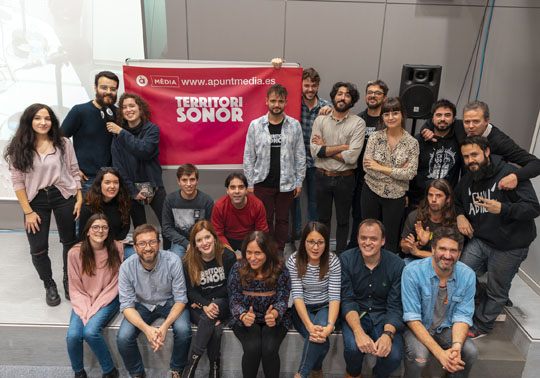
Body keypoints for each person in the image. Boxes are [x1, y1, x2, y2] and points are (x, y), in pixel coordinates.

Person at [454, 136, 540, 338]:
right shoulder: (468, 179)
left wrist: (503, 208)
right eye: (466, 157)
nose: (470, 160)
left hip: (510, 245)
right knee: (459, 273)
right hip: (482, 239)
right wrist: (459, 215)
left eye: (474, 154)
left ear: (486, 152)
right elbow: (457, 199)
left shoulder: (509, 174)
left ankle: (482, 325)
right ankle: (478, 305)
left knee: (497, 290)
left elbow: (533, 208)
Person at [5, 103, 82, 305]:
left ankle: (68, 280)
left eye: (47, 118)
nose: (43, 122)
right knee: (38, 248)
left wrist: (79, 197)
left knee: (69, 242)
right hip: (35, 200)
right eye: (38, 118)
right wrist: (28, 212)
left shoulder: (63, 143)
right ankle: (49, 284)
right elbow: (17, 181)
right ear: (29, 121)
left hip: (63, 194)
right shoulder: (18, 147)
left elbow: (74, 171)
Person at [116, 224, 191, 378]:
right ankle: (137, 374)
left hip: (169, 301)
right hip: (141, 304)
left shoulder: (173, 260)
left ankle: (177, 369)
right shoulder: (126, 268)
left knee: (184, 331)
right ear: (135, 247)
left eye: (151, 242)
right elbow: (127, 306)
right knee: (123, 337)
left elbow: (180, 299)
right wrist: (147, 329)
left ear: (159, 243)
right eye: (142, 243)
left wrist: (164, 327)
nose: (147, 248)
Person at [402, 227, 478, 377]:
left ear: (460, 253)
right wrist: (440, 354)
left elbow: (462, 316)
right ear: (433, 249)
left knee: (470, 352)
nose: (447, 255)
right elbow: (412, 318)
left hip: (446, 327)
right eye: (442, 249)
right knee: (419, 358)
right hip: (418, 326)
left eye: (453, 250)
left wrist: (456, 347)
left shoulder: (468, 275)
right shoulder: (412, 272)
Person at [421, 100, 540, 191]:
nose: (471, 126)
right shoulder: (460, 127)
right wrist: (426, 129)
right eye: (467, 121)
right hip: (465, 192)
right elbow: (438, 122)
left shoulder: (500, 141)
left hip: (490, 194)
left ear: (487, 120)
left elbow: (536, 164)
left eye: (476, 121)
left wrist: (516, 176)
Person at [271, 59, 332, 235]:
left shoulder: (326, 107)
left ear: (318, 85)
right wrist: (276, 66)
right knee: (292, 202)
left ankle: (311, 237)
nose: (310, 89)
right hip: (293, 161)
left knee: (314, 202)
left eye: (313, 85)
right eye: (306, 85)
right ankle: (294, 236)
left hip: (317, 162)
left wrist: (331, 113)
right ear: (301, 85)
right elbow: (276, 90)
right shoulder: (291, 104)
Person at [243, 84, 306, 253]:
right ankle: (265, 251)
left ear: (286, 102)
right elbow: (248, 157)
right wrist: (249, 183)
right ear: (266, 101)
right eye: (273, 101)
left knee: (283, 220)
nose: (276, 104)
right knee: (265, 220)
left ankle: (278, 252)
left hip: (287, 183)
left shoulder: (294, 125)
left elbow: (300, 155)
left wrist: (299, 181)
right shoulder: (256, 125)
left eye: (280, 101)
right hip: (262, 182)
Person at [340, 219, 404, 378]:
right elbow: (347, 300)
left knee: (394, 355)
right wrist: (358, 332)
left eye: (373, 238)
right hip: (357, 314)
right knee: (353, 348)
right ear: (357, 239)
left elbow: (395, 306)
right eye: (363, 238)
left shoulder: (397, 264)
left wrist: (387, 335)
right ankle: (354, 375)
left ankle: (378, 375)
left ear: (382, 241)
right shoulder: (346, 259)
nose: (367, 242)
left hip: (384, 315)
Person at [106, 92, 169, 249]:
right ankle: (143, 257)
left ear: (140, 109)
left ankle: (169, 255)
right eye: (124, 107)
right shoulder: (117, 137)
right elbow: (118, 167)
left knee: (167, 224)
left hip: (154, 186)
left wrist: (121, 132)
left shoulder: (151, 130)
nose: (128, 110)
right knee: (140, 229)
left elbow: (144, 150)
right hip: (131, 189)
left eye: (132, 106)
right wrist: (133, 191)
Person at [310, 82, 365, 253]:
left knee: (343, 220)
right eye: (339, 94)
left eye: (347, 95)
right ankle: (323, 254)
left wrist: (326, 147)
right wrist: (342, 147)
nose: (342, 98)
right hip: (322, 176)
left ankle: (341, 256)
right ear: (333, 97)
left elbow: (352, 157)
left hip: (345, 178)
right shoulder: (320, 120)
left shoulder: (358, 123)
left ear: (352, 100)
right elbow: (315, 151)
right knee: (323, 219)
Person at [66, 214, 124, 378]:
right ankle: (79, 372)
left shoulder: (116, 249)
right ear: (87, 232)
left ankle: (110, 371)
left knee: (90, 332)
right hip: (83, 299)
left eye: (104, 227)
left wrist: (95, 307)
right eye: (96, 227)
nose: (100, 230)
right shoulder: (74, 253)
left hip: (109, 298)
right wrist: (87, 308)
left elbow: (116, 284)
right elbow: (75, 287)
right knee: (73, 336)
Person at [228, 231, 291, 378]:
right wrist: (243, 315)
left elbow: (283, 298)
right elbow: (233, 299)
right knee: (252, 347)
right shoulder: (238, 268)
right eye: (249, 252)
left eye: (258, 253)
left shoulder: (280, 269)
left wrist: (275, 313)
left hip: (274, 318)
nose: (252, 258)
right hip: (246, 318)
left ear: (267, 253)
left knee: (269, 348)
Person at [361, 97, 419, 253]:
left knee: (391, 238)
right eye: (386, 114)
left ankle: (387, 273)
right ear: (382, 117)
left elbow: (410, 173)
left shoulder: (412, 143)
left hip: (396, 196)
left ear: (402, 115)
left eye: (395, 113)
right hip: (371, 191)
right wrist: (397, 171)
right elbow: (367, 168)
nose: (391, 117)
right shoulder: (375, 137)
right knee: (368, 234)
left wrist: (380, 167)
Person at [181, 221, 237, 378]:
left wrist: (210, 302)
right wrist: (205, 304)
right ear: (195, 244)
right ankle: (214, 368)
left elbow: (231, 287)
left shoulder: (227, 256)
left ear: (214, 237)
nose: (204, 243)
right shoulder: (188, 262)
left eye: (207, 237)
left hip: (223, 303)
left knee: (215, 308)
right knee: (214, 327)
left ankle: (192, 363)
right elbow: (190, 290)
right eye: (199, 240)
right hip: (200, 306)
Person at [286, 222, 341, 378]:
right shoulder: (294, 260)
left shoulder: (333, 261)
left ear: (326, 243)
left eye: (320, 242)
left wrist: (330, 325)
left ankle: (301, 374)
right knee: (322, 341)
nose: (315, 247)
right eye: (311, 242)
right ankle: (316, 371)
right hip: (302, 308)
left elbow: (334, 296)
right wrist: (310, 326)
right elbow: (297, 295)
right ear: (304, 242)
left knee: (321, 333)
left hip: (325, 307)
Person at [61, 71, 119, 193]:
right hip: (86, 180)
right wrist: (72, 169)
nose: (108, 91)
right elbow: (59, 141)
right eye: (104, 87)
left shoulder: (119, 114)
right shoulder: (80, 111)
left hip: (113, 180)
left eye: (113, 88)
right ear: (95, 87)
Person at [348, 79, 389, 249]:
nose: (373, 96)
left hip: (383, 179)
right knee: (358, 216)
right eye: (370, 92)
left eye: (377, 93)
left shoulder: (389, 120)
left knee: (380, 220)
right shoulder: (358, 120)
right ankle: (356, 249)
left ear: (384, 97)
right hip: (359, 178)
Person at [409, 100, 462, 209]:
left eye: (447, 115)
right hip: (418, 201)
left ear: (453, 119)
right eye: (438, 115)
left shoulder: (459, 140)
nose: (442, 119)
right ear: (432, 118)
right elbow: (408, 170)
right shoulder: (418, 140)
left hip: (446, 202)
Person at [162, 164, 214, 260]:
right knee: (175, 260)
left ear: (197, 180)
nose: (189, 184)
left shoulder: (206, 200)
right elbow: (167, 228)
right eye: (184, 180)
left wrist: (201, 242)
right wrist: (186, 244)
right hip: (180, 243)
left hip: (203, 241)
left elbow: (211, 227)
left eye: (192, 180)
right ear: (178, 181)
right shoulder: (170, 200)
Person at [401, 179, 457, 263]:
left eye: (438, 196)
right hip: (415, 261)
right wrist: (420, 243)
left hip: (443, 263)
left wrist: (417, 252)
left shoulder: (454, 221)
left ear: (448, 199)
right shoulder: (415, 216)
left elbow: (453, 257)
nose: (433, 199)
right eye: (430, 195)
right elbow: (404, 249)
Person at [211, 172, 269, 252]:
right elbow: (218, 234)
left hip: (250, 239)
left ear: (246, 190)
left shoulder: (257, 205)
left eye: (241, 187)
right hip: (227, 240)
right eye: (232, 187)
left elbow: (261, 232)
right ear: (227, 190)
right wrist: (231, 253)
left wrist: (252, 250)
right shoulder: (219, 206)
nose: (237, 191)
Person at [78, 167, 131, 242]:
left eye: (116, 182)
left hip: (116, 245)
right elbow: (83, 235)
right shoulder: (88, 206)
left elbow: (125, 229)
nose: (112, 186)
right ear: (99, 184)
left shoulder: (123, 202)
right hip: (94, 247)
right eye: (107, 182)